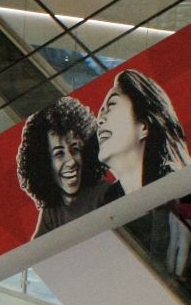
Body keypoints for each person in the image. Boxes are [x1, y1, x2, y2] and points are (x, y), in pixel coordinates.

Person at [16, 98, 123, 238]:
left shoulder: (105, 194)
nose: (71, 161)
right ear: (44, 163)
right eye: (59, 153)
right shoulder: (52, 211)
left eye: (75, 149)